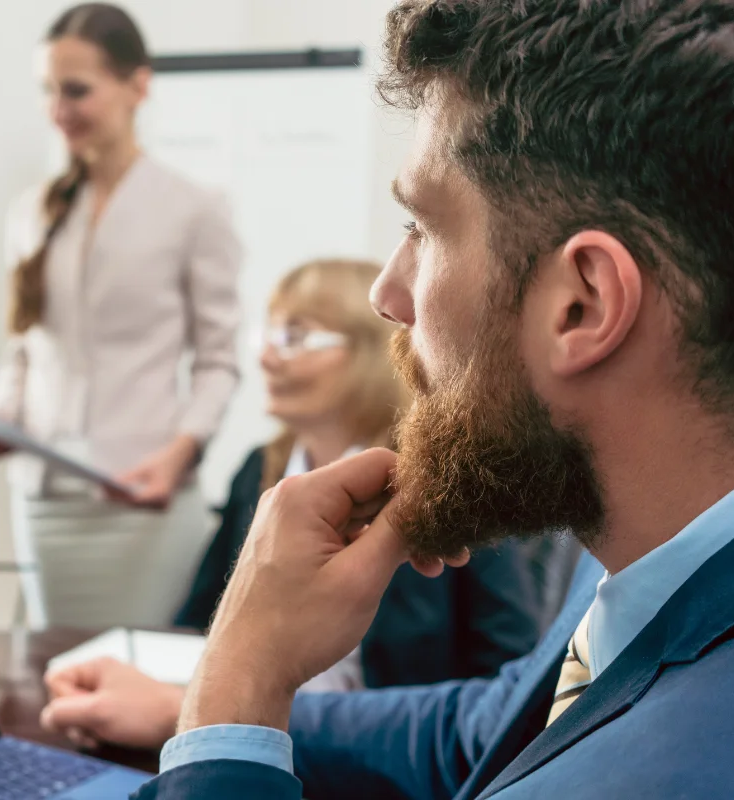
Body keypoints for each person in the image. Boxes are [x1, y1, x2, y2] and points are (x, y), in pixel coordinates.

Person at [49, 2, 734, 797]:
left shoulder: (681, 768)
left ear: (581, 304)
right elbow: (487, 733)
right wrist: (195, 706)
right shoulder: (648, 557)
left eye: (422, 226)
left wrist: (237, 687)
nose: (388, 292)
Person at [0, 3, 240, 629]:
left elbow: (220, 363)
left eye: (76, 90)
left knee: (142, 687)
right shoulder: (31, 210)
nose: (58, 109)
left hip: (143, 501)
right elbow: (26, 351)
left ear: (138, 85)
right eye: (47, 91)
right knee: (56, 681)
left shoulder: (195, 208)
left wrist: (179, 454)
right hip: (44, 502)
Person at [175, 259, 541, 690]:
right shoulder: (258, 469)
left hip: (391, 749)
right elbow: (199, 622)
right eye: (268, 334)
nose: (267, 357)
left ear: (373, 351)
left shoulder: (453, 476)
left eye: (295, 336)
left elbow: (508, 667)